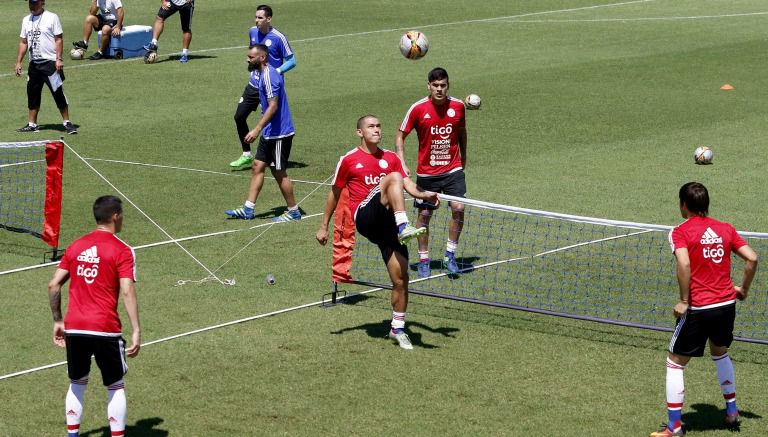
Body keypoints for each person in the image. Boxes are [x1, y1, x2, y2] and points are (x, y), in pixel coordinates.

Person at [316, 115, 439, 350]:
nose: (376, 130)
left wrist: (423, 195)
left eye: (379, 126)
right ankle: (404, 226)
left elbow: (408, 185)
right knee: (391, 178)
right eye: (371, 127)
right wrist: (324, 225)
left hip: (386, 224)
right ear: (359, 132)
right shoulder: (349, 160)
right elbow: (335, 192)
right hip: (365, 215)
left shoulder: (391, 158)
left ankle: (397, 328)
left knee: (401, 278)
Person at [650, 182, 758, 437]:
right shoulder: (726, 228)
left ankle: (674, 427)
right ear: (706, 204)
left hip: (699, 308)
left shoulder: (680, 232)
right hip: (726, 306)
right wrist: (743, 288)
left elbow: (684, 263)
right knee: (720, 353)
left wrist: (684, 300)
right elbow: (752, 258)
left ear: (683, 205)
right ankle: (732, 412)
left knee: (675, 363)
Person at [47, 195, 141, 437]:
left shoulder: (75, 246)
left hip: (75, 327)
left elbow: (54, 285)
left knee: (77, 383)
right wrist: (136, 330)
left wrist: (58, 321)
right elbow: (127, 289)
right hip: (105, 328)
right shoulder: (123, 250)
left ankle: (72, 435)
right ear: (115, 216)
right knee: (115, 384)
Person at [395, 67, 467, 278]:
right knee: (425, 215)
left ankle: (450, 255)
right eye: (435, 85)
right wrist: (401, 162)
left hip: (453, 169)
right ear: (428, 86)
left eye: (443, 85)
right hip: (427, 173)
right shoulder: (418, 109)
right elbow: (400, 135)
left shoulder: (458, 107)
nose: (439, 89)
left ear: (448, 85)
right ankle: (424, 258)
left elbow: (462, 132)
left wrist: (464, 157)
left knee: (459, 209)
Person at [225, 44, 301, 222]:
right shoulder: (263, 74)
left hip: (279, 133)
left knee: (278, 171)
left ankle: (293, 211)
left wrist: (256, 128)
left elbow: (273, 106)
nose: (247, 59)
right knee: (257, 166)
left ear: (262, 58)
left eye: (251, 57)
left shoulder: (269, 76)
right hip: (270, 132)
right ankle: (248, 209)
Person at [231, 4, 297, 170]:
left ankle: (271, 155)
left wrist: (276, 71)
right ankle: (246, 154)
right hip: (254, 85)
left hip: (270, 87)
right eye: (256, 17)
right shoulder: (252, 32)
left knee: (270, 120)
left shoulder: (278, 38)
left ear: (269, 19)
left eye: (260, 18)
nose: (257, 20)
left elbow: (292, 60)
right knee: (239, 116)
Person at [15, 0, 77, 135]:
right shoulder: (26, 20)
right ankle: (32, 124)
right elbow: (23, 42)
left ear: (42, 2)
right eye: (30, 2)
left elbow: (58, 39)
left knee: (58, 92)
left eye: (34, 2)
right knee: (32, 94)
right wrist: (19, 62)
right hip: (34, 64)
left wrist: (58, 59)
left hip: (50, 63)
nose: (32, 5)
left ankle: (67, 122)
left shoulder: (52, 17)